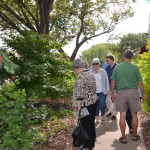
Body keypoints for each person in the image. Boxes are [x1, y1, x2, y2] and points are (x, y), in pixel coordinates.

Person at [111, 50, 145, 144]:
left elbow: (113, 81)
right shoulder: (135, 67)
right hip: (133, 92)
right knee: (134, 114)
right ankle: (134, 135)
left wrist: (112, 94)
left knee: (122, 115)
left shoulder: (118, 67)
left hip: (121, 93)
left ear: (123, 56)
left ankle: (123, 137)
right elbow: (140, 83)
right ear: (132, 57)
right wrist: (143, 94)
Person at [72, 58, 98, 150]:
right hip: (93, 102)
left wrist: (78, 106)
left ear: (78, 67)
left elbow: (79, 93)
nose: (75, 71)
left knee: (84, 124)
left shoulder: (81, 76)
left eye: (75, 69)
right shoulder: (91, 74)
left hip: (84, 105)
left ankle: (87, 145)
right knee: (90, 123)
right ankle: (91, 142)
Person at [90, 58, 110, 124]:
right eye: (94, 64)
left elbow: (106, 81)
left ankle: (103, 116)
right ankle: (96, 119)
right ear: (92, 65)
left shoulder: (103, 71)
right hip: (94, 92)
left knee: (102, 105)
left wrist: (107, 90)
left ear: (99, 64)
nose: (95, 65)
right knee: (95, 106)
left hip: (102, 91)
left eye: (97, 63)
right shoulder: (90, 73)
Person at [105, 54, 118, 120]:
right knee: (107, 100)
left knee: (114, 101)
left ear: (111, 59)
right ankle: (111, 110)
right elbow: (106, 78)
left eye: (107, 60)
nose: (107, 61)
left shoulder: (117, 67)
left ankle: (114, 114)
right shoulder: (107, 68)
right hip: (109, 87)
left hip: (116, 87)